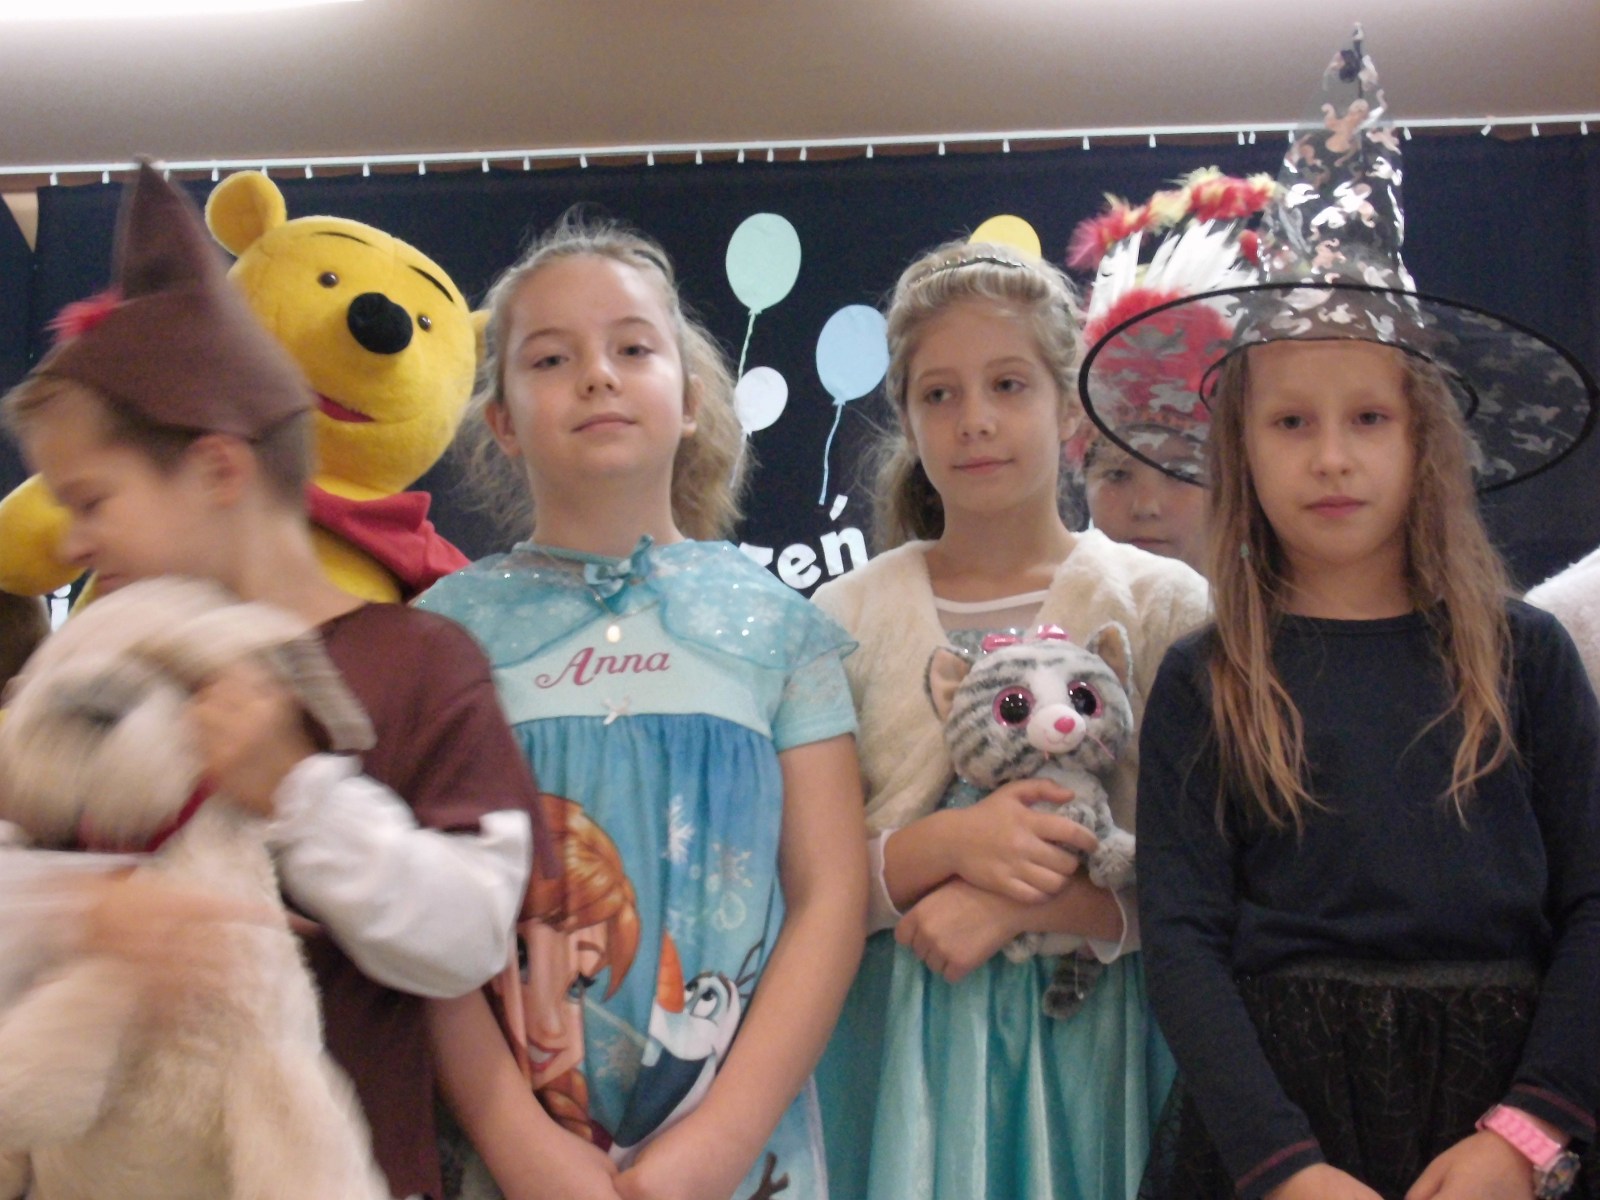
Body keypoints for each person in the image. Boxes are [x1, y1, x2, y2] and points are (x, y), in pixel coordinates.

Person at [1107, 29, 1600, 1200]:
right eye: (1291, 423)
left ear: (1426, 438)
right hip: (1276, 1134)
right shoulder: (1207, 679)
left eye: (1367, 419)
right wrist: (1280, 1168)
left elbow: (1594, 905)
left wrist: (1526, 1135)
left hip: (1499, 1125)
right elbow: (1181, 944)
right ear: (1238, 447)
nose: (1330, 457)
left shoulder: (1528, 658)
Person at [0, 162, 541, 1200]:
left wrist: (300, 791)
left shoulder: (423, 662)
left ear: (217, 470)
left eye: (93, 500)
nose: (69, 542)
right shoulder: (93, 671)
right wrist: (88, 914)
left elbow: (469, 935)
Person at [416, 213, 866, 1200]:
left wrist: (720, 1142)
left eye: (631, 348)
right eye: (550, 358)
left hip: (741, 1158)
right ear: (502, 420)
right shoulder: (442, 637)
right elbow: (415, 908)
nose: (597, 376)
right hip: (511, 1163)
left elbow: (831, 897)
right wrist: (512, 1137)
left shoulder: (779, 628)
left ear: (691, 399)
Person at [809, 239, 1209, 1200]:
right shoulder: (843, 618)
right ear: (906, 416)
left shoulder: (1162, 606)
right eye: (939, 394)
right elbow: (801, 885)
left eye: (1008, 385)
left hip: (1099, 1057)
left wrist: (1042, 905)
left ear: (1070, 408)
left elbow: (1216, 884)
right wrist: (946, 845)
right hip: (894, 1060)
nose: (975, 420)